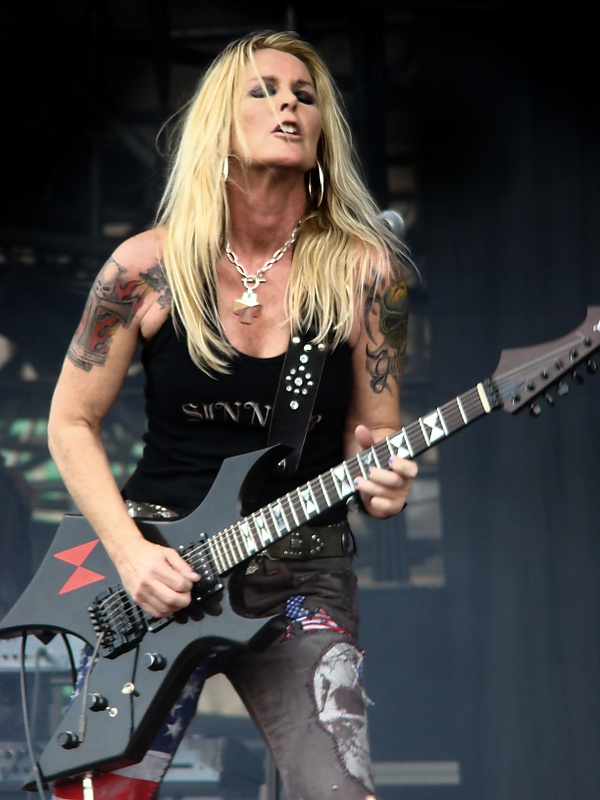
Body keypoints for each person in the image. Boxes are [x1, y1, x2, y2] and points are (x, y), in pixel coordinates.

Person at [47, 29, 417, 800]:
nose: (289, 105)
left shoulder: (367, 273)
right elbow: (70, 423)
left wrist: (387, 481)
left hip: (301, 579)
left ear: (321, 132)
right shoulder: (144, 267)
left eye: (305, 96)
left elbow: (378, 434)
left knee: (338, 791)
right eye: (264, 91)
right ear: (220, 123)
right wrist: (129, 555)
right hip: (159, 569)